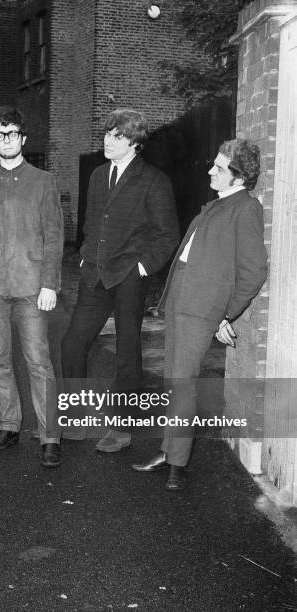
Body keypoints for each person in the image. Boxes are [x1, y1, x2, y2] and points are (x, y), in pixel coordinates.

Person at [132, 139, 267, 490]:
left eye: (219, 168)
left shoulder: (245, 209)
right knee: (173, 382)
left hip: (200, 311)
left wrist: (226, 314)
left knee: (182, 384)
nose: (211, 170)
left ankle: (177, 462)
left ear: (238, 177)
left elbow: (253, 272)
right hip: (180, 305)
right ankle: (169, 450)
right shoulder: (218, 206)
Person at [61, 108, 178, 452]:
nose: (107, 141)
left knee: (127, 354)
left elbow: (167, 235)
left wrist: (141, 269)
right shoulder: (98, 175)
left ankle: (121, 429)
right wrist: (84, 254)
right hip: (94, 274)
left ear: (135, 143)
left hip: (129, 276)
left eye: (117, 136)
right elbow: (91, 222)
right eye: (107, 134)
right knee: (72, 343)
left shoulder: (154, 180)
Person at [0, 105, 64, 468]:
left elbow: (54, 237)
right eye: (0, 135)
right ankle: (8, 424)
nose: (7, 140)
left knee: (39, 361)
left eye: (13, 134)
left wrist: (50, 283)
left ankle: (50, 434)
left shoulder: (44, 181)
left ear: (23, 138)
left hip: (32, 286)